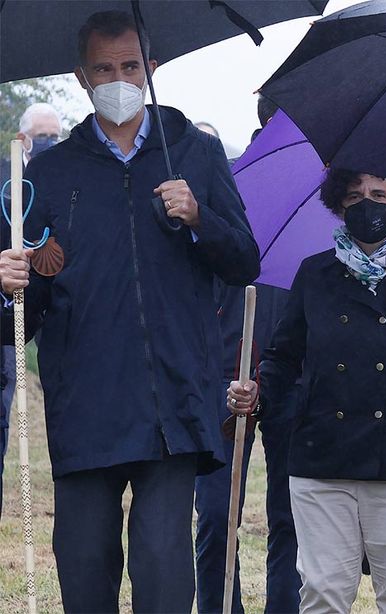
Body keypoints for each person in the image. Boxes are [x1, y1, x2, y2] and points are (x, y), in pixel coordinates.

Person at [0, 11, 259, 611]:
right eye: (104, 68)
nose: (119, 78)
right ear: (82, 77)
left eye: (130, 66)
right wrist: (8, 283)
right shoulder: (49, 173)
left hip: (173, 407)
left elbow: (244, 261)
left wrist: (200, 217)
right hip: (85, 406)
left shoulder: (195, 153)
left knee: (165, 580)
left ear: (152, 68)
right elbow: (21, 317)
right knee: (86, 581)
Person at [228, 165, 386, 613]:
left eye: (379, 195)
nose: (368, 205)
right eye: (354, 196)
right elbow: (283, 358)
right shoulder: (315, 274)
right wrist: (259, 396)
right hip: (322, 457)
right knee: (323, 593)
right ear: (338, 206)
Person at [194, 96, 301, 614]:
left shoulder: (325, 197)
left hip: (295, 380)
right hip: (223, 372)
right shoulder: (228, 179)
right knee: (217, 516)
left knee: (290, 518)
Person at [0, 102, 63, 517]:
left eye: (55, 136)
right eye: (42, 136)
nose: (48, 144)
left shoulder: (67, 181)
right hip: (9, 316)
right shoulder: (5, 189)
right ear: (23, 140)